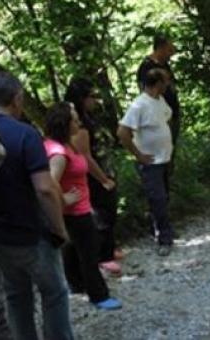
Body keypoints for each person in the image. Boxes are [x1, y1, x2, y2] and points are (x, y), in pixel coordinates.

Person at [0, 72, 75, 340]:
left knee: (16, 296)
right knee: (54, 293)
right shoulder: (25, 134)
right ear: (16, 99)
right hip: (32, 233)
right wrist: (59, 228)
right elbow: (44, 188)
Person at [43, 102, 122, 310]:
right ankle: (99, 295)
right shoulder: (59, 152)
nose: (79, 122)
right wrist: (63, 199)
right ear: (65, 123)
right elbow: (49, 181)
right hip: (76, 211)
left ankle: (76, 284)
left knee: (72, 249)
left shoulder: (62, 144)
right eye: (75, 119)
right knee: (89, 252)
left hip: (77, 209)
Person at [64, 78, 122, 277]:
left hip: (106, 170)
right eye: (91, 97)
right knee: (102, 216)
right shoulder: (79, 126)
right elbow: (85, 156)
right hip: (95, 177)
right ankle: (103, 258)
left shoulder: (90, 119)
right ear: (81, 99)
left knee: (110, 212)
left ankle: (109, 249)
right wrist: (102, 179)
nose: (95, 100)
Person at [118, 68, 175, 256]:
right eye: (165, 81)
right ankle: (163, 238)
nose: (168, 84)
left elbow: (167, 117)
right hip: (151, 162)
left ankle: (162, 229)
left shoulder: (160, 100)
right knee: (157, 198)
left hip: (164, 159)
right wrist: (138, 155)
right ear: (157, 83)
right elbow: (123, 132)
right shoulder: (139, 105)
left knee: (163, 197)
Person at [137, 33, 180, 145]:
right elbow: (146, 93)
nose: (172, 53)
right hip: (159, 118)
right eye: (169, 50)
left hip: (171, 114)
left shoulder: (165, 65)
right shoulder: (147, 67)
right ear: (160, 48)